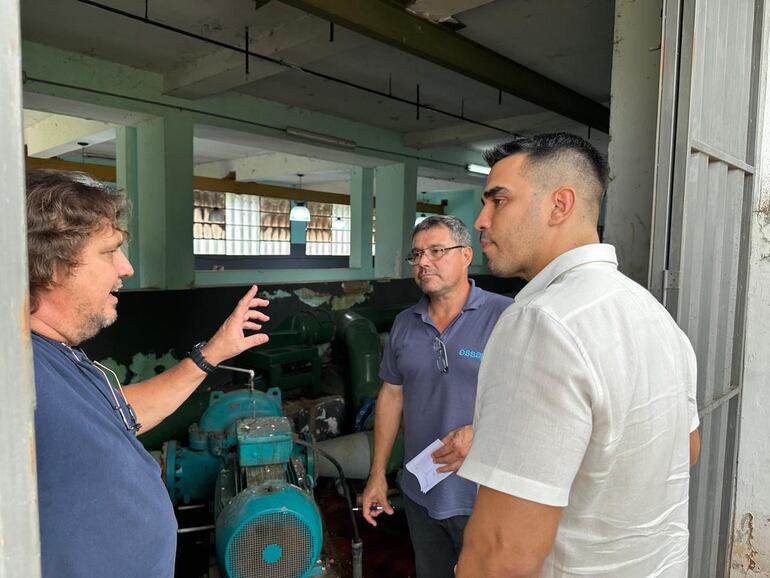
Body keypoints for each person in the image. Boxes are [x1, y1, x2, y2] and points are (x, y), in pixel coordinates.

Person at [455, 133, 701, 577]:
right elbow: (687, 448)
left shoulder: (543, 322)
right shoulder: (653, 314)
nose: (481, 221)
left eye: (498, 201)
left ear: (559, 205)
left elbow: (501, 556)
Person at [26, 169, 271, 578]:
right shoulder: (15, 372)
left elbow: (119, 415)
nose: (127, 267)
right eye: (110, 251)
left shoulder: (60, 356)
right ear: (52, 265)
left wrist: (214, 352)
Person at [360, 215, 513, 578]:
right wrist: (378, 473)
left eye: (436, 251)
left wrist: (482, 432)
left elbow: (538, 399)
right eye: (417, 254)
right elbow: (391, 397)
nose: (424, 261)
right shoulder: (404, 323)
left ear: (465, 255)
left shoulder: (505, 316)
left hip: (485, 495)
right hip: (419, 491)